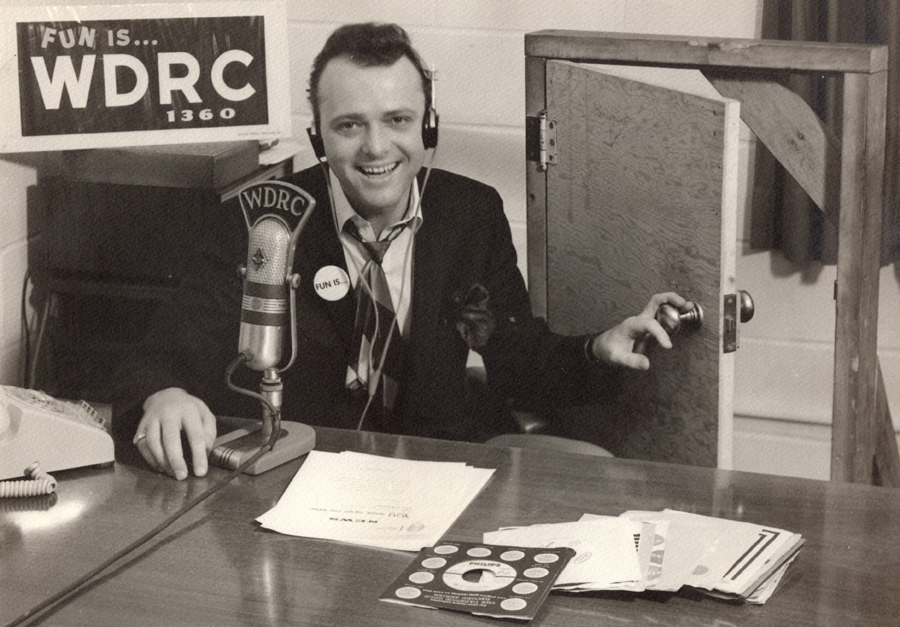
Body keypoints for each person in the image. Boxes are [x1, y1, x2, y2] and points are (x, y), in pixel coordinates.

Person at [112, 22, 685, 480]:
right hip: (300, 477)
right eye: (349, 126)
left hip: (442, 473)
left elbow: (515, 353)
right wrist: (161, 396)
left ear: (427, 127)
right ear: (317, 137)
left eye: (398, 120)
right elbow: (153, 353)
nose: (376, 147)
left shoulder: (470, 215)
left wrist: (597, 349)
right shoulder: (262, 223)